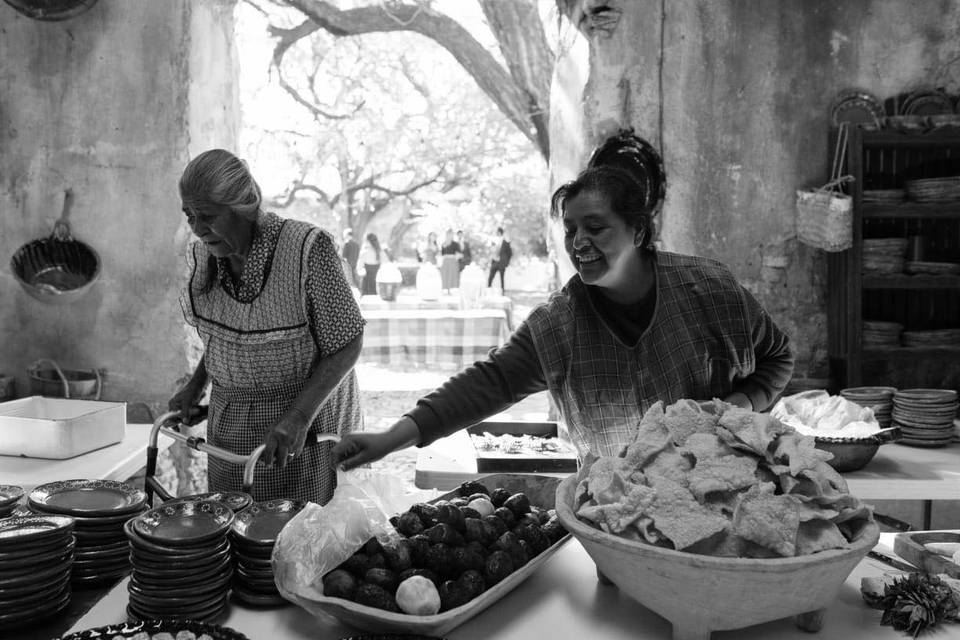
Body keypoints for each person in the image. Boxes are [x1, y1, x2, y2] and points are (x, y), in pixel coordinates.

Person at [332, 131, 794, 471]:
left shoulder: (710, 291)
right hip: (618, 509)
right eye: (571, 230)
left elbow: (778, 357)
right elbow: (489, 382)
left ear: (637, 230)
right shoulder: (559, 326)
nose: (579, 242)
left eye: (596, 227)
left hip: (725, 488)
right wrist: (392, 437)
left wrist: (736, 405)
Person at [169, 148, 364, 505]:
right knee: (236, 529)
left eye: (208, 216)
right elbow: (223, 334)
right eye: (189, 215)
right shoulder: (208, 258)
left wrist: (299, 417)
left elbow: (347, 343)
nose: (197, 229)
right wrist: (196, 386)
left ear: (241, 206)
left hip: (306, 427)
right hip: (232, 429)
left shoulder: (306, 250)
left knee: (306, 537)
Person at [487, 227, 512, 291]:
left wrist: (506, 263)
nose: (496, 233)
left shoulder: (505, 242)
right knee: (490, 277)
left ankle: (502, 291)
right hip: (494, 261)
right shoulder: (494, 241)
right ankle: (488, 290)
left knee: (502, 278)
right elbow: (491, 250)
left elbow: (510, 253)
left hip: (502, 262)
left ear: (500, 232)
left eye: (497, 232)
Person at [439, 228, 461, 292]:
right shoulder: (443, 244)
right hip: (445, 261)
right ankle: (446, 289)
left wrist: (454, 256)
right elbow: (442, 254)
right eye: (448, 234)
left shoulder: (455, 244)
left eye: (451, 234)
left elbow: (459, 253)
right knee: (445, 275)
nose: (449, 235)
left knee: (452, 275)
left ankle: (451, 289)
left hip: (452, 261)